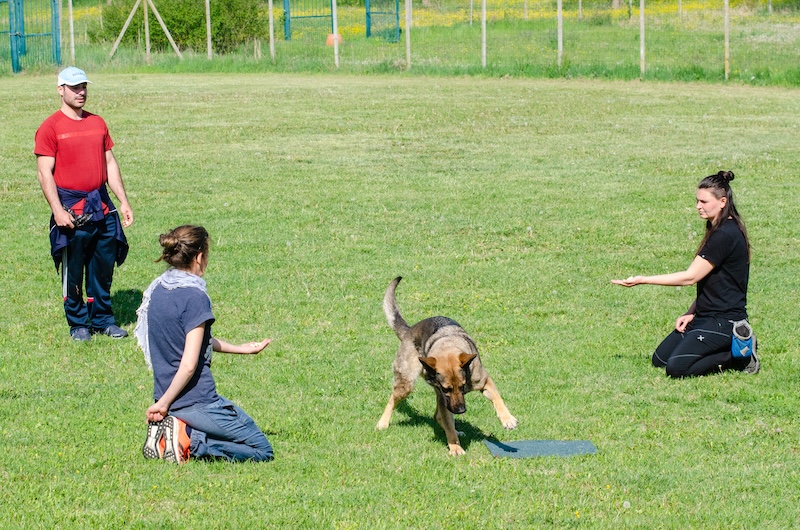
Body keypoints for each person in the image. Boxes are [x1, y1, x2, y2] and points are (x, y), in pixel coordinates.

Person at [135, 225, 274, 464]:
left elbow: (192, 342)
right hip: (196, 402)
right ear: (199, 257)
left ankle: (175, 429)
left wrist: (242, 348)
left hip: (166, 393)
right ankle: (188, 439)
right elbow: (189, 364)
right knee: (261, 448)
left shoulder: (158, 288)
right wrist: (164, 405)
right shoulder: (195, 297)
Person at [612, 171, 759, 378]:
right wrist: (692, 311)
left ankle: (739, 355)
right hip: (705, 316)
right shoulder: (719, 228)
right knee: (660, 360)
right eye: (697, 200)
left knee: (677, 368)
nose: (698, 206)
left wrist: (642, 280)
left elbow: (690, 277)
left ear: (722, 201)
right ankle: (726, 347)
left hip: (725, 321)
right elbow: (712, 282)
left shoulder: (726, 234)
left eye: (704, 201)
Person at [34, 66, 134, 342]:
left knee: (103, 266)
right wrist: (57, 211)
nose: (81, 92)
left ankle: (102, 319)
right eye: (75, 87)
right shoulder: (50, 127)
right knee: (73, 269)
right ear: (60, 90)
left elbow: (110, 163)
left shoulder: (97, 123)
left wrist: (123, 201)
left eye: (84, 87)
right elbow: (44, 173)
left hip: (101, 205)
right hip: (71, 209)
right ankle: (78, 323)